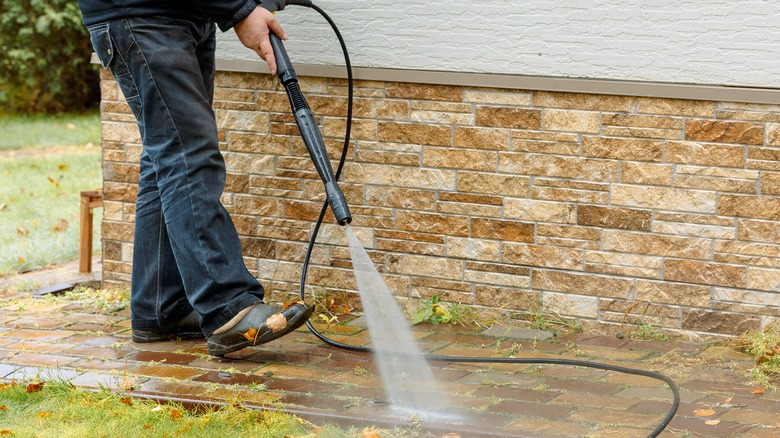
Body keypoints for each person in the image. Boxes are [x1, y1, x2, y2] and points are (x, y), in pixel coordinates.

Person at [76, 0, 313, 357]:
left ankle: (161, 307)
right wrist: (240, 9)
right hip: (141, 15)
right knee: (188, 155)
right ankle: (228, 307)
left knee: (167, 159)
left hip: (185, 14)